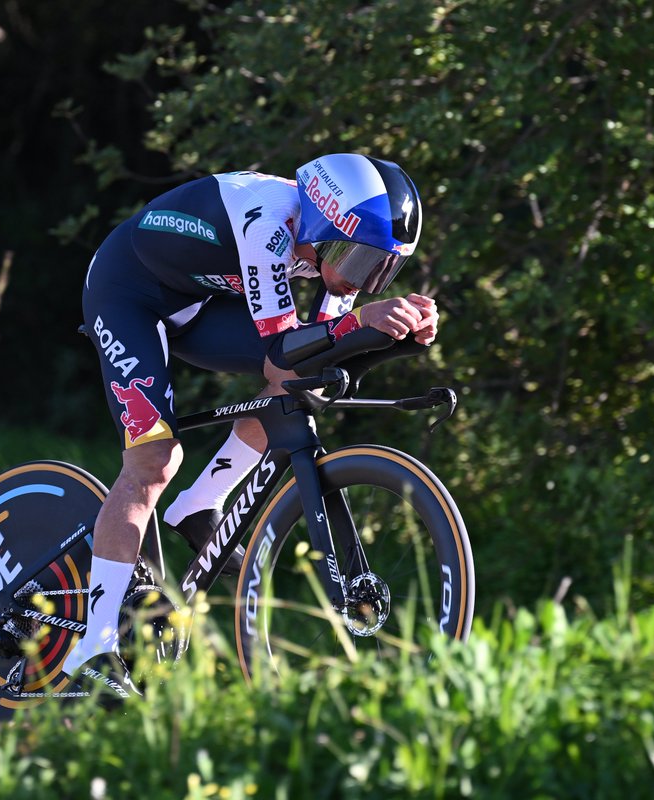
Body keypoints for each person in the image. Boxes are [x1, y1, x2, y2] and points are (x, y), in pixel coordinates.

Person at [67, 153, 437, 700]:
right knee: (152, 462)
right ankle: (91, 651)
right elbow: (280, 345)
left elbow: (310, 351)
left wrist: (393, 333)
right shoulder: (269, 221)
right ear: (318, 222)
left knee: (298, 385)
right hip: (128, 293)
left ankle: (200, 503)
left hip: (197, 303)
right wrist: (362, 321)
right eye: (355, 259)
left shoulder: (329, 240)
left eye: (379, 268)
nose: (356, 276)